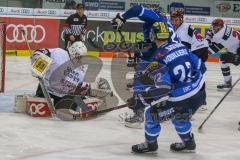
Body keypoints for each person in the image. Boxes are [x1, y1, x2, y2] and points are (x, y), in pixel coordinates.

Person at [131, 21, 206, 153]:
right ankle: (189, 143)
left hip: (182, 100)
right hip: (199, 94)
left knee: (151, 115)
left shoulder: (159, 57)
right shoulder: (181, 46)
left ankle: (151, 145)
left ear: (153, 36)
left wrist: (140, 102)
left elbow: (162, 89)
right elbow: (201, 67)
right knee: (180, 116)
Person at [111, 5, 179, 127]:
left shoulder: (156, 18)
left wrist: (121, 17)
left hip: (165, 55)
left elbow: (136, 9)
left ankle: (138, 115)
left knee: (141, 77)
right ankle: (174, 109)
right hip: (175, 55)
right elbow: (151, 45)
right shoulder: (161, 24)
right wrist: (138, 54)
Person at [206, 18, 240, 90]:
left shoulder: (221, 37)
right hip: (236, 47)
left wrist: (201, 49)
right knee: (223, 59)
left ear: (220, 27)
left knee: (224, 58)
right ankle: (227, 82)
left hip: (238, 50)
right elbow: (211, 32)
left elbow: (210, 51)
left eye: (215, 27)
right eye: (213, 26)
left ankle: (228, 82)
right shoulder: (224, 27)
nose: (213, 28)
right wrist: (207, 40)